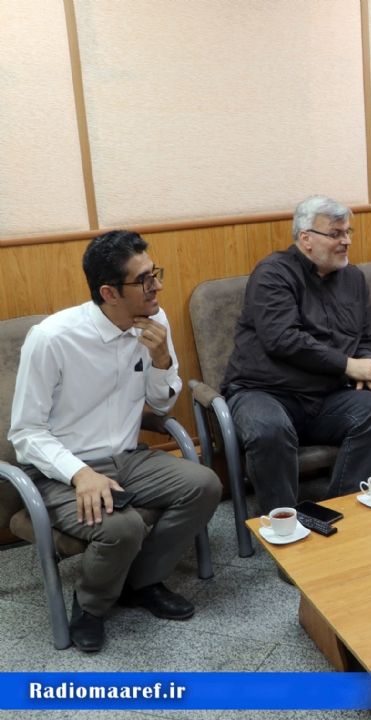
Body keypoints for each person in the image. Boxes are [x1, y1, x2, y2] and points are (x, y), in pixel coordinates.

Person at [8, 231, 222, 653]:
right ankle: (90, 605)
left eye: (155, 273)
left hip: (128, 456)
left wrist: (162, 361)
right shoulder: (52, 338)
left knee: (205, 485)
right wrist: (80, 474)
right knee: (122, 527)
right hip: (63, 470)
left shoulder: (154, 322)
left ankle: (140, 582)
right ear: (109, 293)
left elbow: (161, 402)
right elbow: (26, 432)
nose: (157, 286)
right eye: (144, 280)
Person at [222, 195, 371, 515]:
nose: (346, 241)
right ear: (306, 239)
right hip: (265, 391)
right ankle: (284, 527)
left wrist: (368, 368)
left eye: (348, 232)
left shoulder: (354, 278)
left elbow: (365, 338)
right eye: (335, 234)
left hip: (326, 395)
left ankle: (340, 514)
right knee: (269, 429)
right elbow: (282, 339)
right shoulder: (273, 274)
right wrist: (348, 365)